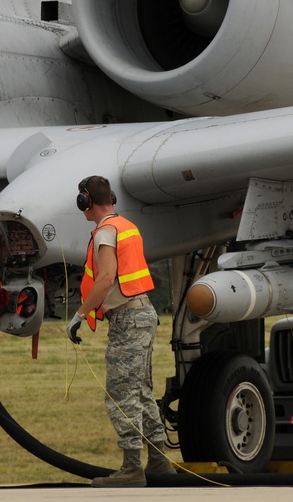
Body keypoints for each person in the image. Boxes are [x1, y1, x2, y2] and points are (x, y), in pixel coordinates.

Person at [67, 175, 176, 487]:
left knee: (120, 393)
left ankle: (132, 468)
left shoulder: (105, 233)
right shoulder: (127, 227)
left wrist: (79, 315)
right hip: (143, 314)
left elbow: (105, 279)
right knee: (140, 390)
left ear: (86, 201)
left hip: (128, 319)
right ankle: (158, 460)